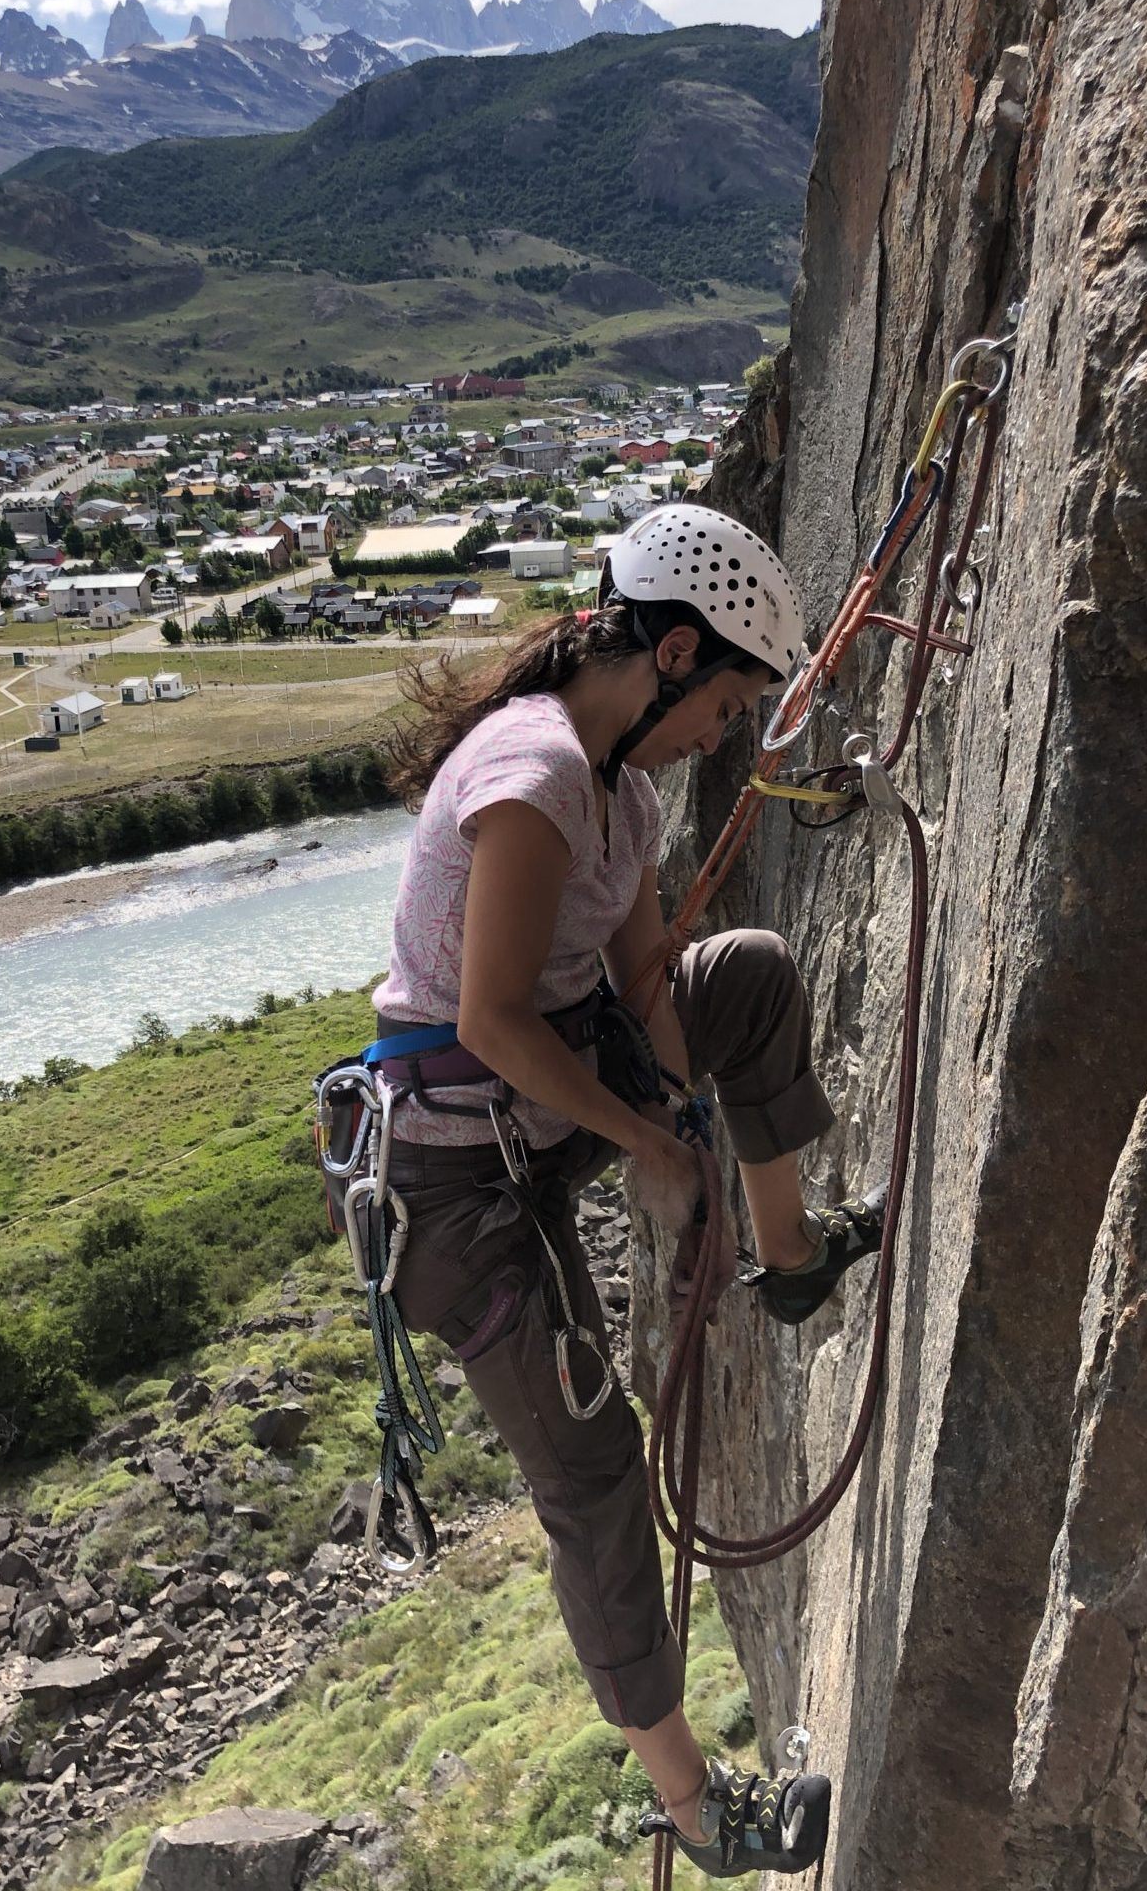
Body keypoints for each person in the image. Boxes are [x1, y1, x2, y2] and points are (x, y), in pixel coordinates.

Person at [369, 504, 883, 1877]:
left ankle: (789, 1259)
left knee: (752, 976)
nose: (726, 730)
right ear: (666, 653)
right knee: (593, 1479)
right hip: (454, 1179)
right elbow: (491, 1020)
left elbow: (648, 988)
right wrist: (651, 1151)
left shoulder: (626, 788)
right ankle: (701, 1811)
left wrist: (686, 1125)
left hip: (540, 1113)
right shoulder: (533, 776)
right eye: (724, 699)